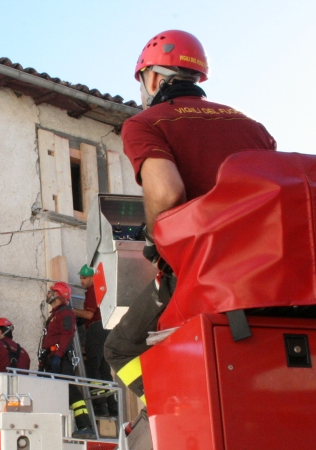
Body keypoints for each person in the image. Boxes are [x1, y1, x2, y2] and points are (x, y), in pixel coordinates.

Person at [104, 30, 277, 403]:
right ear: (197, 78)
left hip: (202, 271)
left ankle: (171, 411)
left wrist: (158, 243)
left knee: (119, 348)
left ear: (152, 77)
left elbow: (167, 192)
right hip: (268, 271)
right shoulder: (252, 127)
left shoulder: (146, 123)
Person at [39, 282, 95, 439]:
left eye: (51, 291)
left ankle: (85, 426)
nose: (48, 294)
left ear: (57, 294)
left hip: (61, 358)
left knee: (70, 391)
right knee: (50, 393)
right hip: (51, 359)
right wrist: (44, 361)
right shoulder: (54, 315)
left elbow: (67, 333)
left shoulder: (66, 313)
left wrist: (58, 355)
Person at [73, 264, 118, 416]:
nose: (81, 281)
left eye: (84, 278)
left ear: (93, 278)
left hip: (96, 330)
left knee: (93, 368)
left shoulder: (93, 291)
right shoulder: (103, 291)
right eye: (80, 278)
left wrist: (71, 310)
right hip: (107, 330)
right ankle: (112, 406)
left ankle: (100, 406)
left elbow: (89, 315)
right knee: (104, 370)